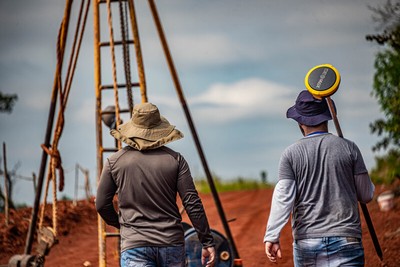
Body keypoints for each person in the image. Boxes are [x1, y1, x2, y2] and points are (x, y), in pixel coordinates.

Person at [96, 102, 216, 267]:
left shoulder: (114, 161)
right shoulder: (176, 160)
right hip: (171, 244)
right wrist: (207, 241)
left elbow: (102, 204)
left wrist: (123, 226)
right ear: (159, 129)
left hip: (134, 246)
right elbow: (192, 202)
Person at [263, 90, 375, 266]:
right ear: (327, 117)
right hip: (347, 238)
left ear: (300, 122)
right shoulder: (349, 148)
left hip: (308, 243)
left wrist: (272, 235)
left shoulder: (290, 155)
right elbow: (366, 195)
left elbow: (283, 198)